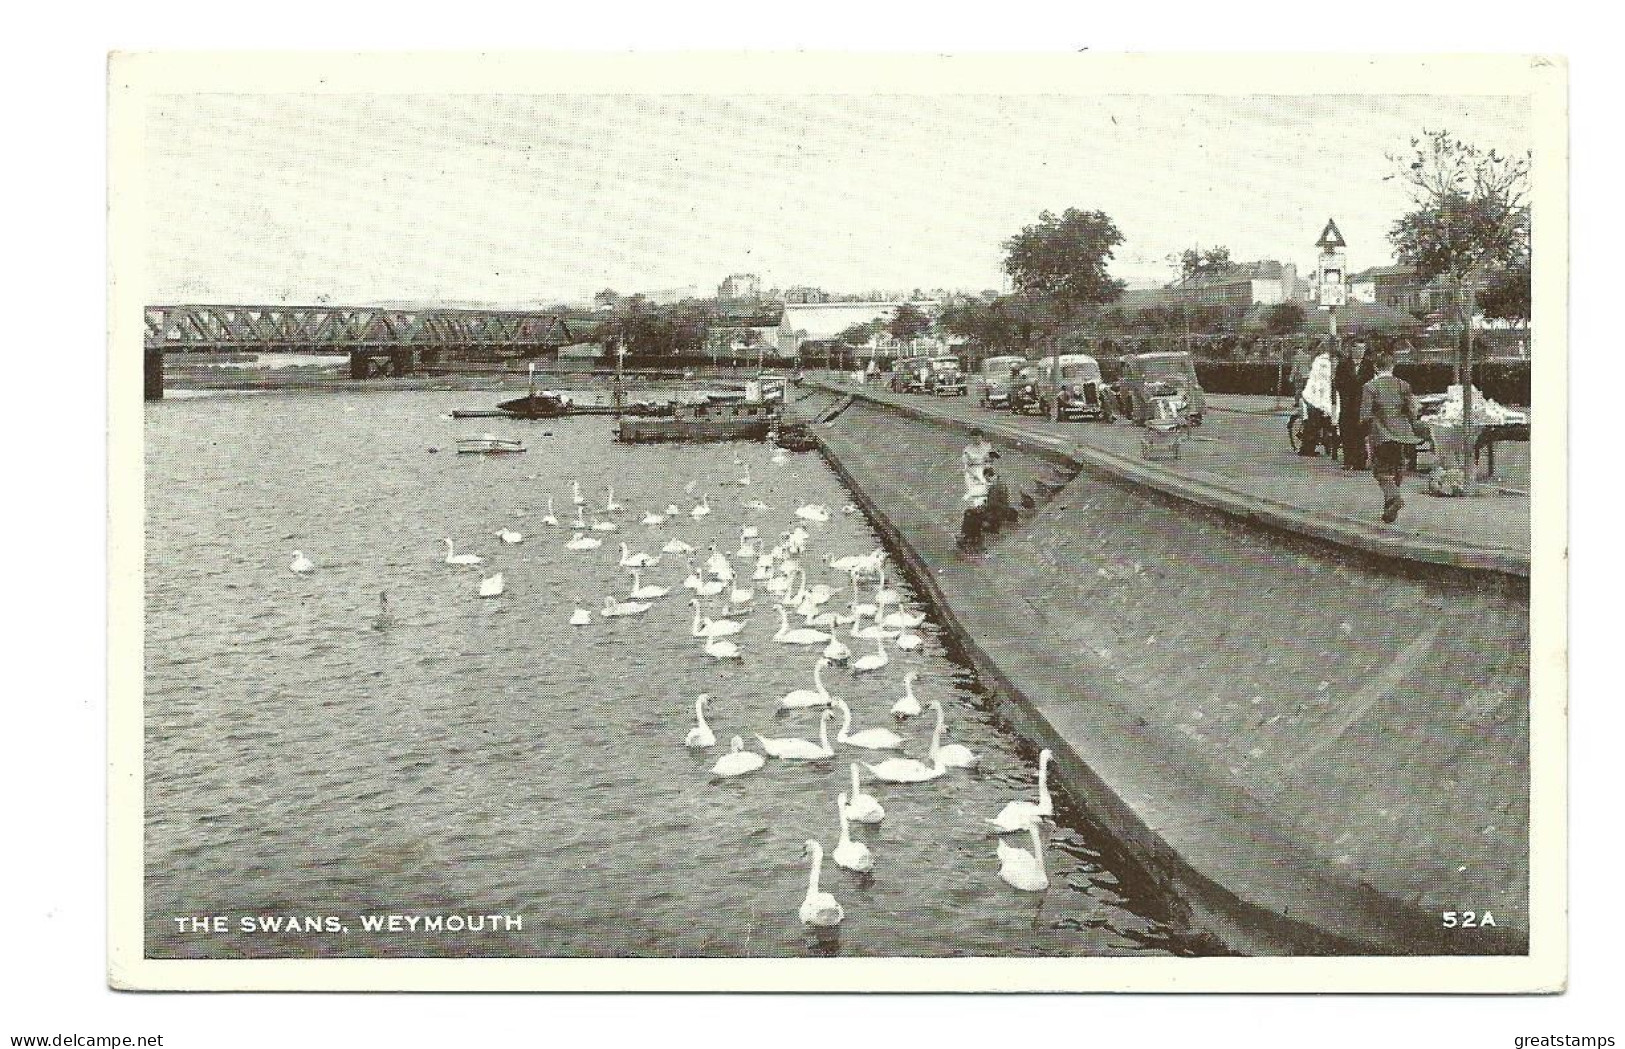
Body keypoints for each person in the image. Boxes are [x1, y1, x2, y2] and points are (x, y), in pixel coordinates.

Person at [1360, 349, 1422, 523]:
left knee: (1380, 471)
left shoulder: (1370, 387)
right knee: (1397, 466)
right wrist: (1410, 423)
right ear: (1392, 366)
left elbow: (1365, 415)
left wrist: (1364, 432)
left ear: (1375, 368)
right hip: (1403, 433)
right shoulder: (1403, 385)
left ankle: (1394, 497)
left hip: (1381, 434)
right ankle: (1389, 508)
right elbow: (1412, 410)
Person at [1335, 341, 1376, 470]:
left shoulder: (1368, 365)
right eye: (1358, 349)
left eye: (1363, 349)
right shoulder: (1343, 364)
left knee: (1361, 431)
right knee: (1347, 431)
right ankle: (1348, 460)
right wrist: (1346, 392)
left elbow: (1371, 382)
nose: (1361, 352)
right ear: (1352, 350)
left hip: (1363, 402)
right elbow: (1338, 382)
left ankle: (1360, 460)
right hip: (1348, 403)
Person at [1298, 340, 1338, 457]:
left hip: (1322, 394)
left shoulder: (1328, 360)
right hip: (1314, 395)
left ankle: (1325, 439)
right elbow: (1322, 378)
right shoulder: (1322, 361)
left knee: (1326, 417)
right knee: (1313, 422)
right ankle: (1306, 449)